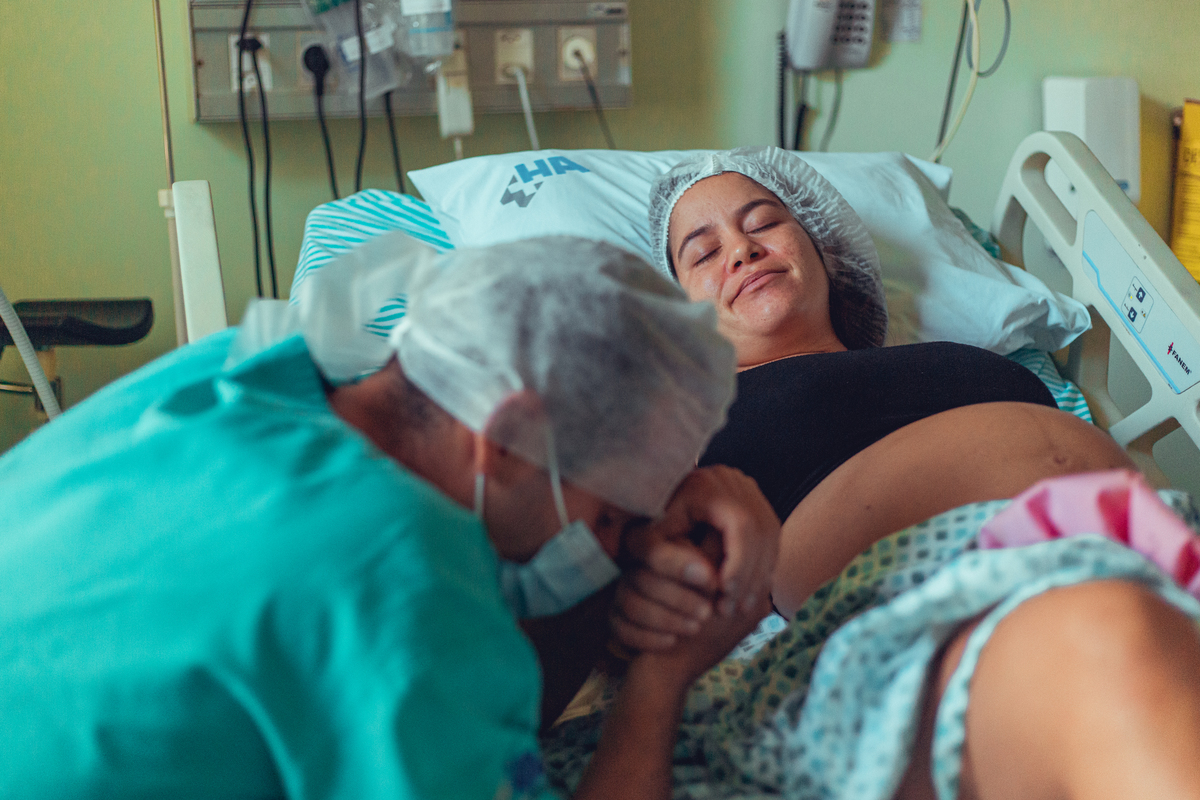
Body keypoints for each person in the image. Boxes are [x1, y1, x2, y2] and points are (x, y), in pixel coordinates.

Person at [0, 235, 781, 800]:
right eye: (610, 517)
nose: (610, 551)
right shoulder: (409, 578)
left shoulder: (234, 370)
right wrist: (664, 675)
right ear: (506, 440)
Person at [549, 148, 1200, 800]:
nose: (741, 251)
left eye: (763, 223)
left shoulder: (952, 358)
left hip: (1150, 541)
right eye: (702, 251)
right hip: (928, 608)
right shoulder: (684, 428)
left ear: (822, 248)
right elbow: (625, 590)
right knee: (1109, 644)